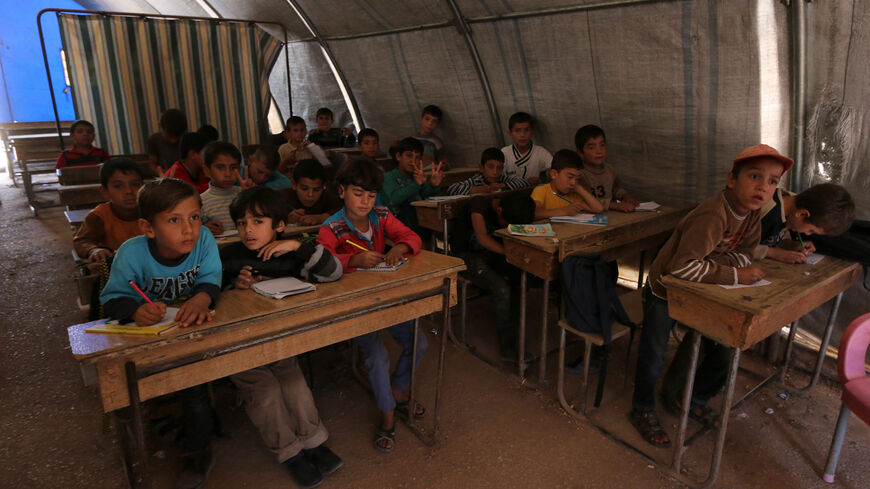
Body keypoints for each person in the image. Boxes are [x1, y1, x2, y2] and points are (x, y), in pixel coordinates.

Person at [629, 144, 791, 448]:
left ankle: (691, 398)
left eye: (772, 181)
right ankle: (642, 408)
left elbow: (746, 254)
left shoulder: (752, 214)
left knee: (724, 347)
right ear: (732, 179)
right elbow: (681, 270)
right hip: (666, 291)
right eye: (755, 176)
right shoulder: (713, 215)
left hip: (706, 291)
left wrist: (722, 264)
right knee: (653, 354)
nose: (763, 187)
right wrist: (734, 274)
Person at [99, 178, 221, 489]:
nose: (189, 229)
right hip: (143, 339)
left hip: (184, 334)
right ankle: (137, 443)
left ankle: (197, 451)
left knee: (193, 383)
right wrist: (133, 309)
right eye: (174, 220)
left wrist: (201, 297)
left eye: (195, 217)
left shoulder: (204, 240)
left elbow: (211, 278)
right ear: (148, 227)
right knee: (129, 394)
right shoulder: (131, 253)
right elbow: (111, 299)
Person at [220, 187, 344, 489]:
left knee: (294, 384)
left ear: (278, 226)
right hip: (240, 347)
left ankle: (313, 442)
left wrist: (297, 247)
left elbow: (334, 273)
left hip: (280, 344)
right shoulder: (229, 256)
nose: (248, 230)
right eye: (241, 223)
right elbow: (210, 294)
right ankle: (290, 453)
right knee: (266, 393)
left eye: (258, 221)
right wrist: (235, 287)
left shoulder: (292, 254)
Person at [316, 158, 426, 453]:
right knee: (377, 358)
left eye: (371, 194)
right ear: (341, 191)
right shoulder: (331, 228)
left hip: (383, 298)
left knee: (419, 341)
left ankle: (399, 390)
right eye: (357, 193)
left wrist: (398, 248)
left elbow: (411, 236)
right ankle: (388, 414)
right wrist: (352, 260)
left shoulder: (380, 215)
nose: (365, 201)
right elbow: (320, 265)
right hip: (355, 306)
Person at [452, 192, 536, 361]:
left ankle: (516, 340)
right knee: (501, 288)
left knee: (520, 280)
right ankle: (507, 347)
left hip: (491, 254)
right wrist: (509, 253)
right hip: (464, 256)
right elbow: (482, 238)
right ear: (499, 210)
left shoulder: (514, 205)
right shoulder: (479, 205)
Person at [753, 183, 855, 263]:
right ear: (802, 214)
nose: (807, 234)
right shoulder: (762, 208)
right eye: (811, 230)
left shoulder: (793, 208)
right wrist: (773, 253)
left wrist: (790, 245)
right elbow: (738, 246)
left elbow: (768, 237)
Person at [73, 157, 144, 262]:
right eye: (118, 186)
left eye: (135, 185)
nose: (128, 191)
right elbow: (82, 241)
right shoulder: (99, 216)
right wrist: (93, 250)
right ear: (105, 191)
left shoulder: (153, 211)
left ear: (143, 186)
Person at [381, 137, 444, 235]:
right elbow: (394, 199)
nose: (413, 161)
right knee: (413, 201)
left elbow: (425, 193)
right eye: (409, 156)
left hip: (415, 223)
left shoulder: (416, 176)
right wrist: (416, 185)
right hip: (393, 222)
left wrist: (433, 185)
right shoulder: (389, 177)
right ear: (398, 156)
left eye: (418, 157)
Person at [574, 124, 639, 212]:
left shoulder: (609, 169)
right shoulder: (580, 175)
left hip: (612, 215)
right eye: (591, 147)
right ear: (580, 153)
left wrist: (625, 196)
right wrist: (616, 206)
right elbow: (585, 201)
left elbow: (615, 189)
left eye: (602, 145)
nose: (599, 151)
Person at [530, 149, 604, 219]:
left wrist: (579, 188)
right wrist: (564, 211)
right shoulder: (541, 191)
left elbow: (598, 209)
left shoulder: (573, 194)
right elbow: (534, 212)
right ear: (554, 174)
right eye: (570, 177)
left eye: (577, 179)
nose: (573, 183)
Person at [446, 147, 530, 195]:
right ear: (481, 168)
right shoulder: (476, 181)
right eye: (490, 167)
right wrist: (476, 190)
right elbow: (451, 189)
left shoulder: (502, 180)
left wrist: (502, 185)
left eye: (499, 168)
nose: (495, 172)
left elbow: (524, 182)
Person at [201, 141, 242, 236]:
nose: (228, 174)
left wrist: (250, 195)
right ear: (207, 170)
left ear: (239, 169)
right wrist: (204, 229)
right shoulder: (201, 202)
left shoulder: (244, 193)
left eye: (233, 167)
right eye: (220, 167)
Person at [283, 159, 342, 226]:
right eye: (304, 189)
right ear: (294, 184)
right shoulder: (283, 197)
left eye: (316, 190)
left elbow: (346, 212)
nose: (310, 195)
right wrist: (286, 219)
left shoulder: (329, 196)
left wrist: (321, 217)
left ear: (324, 186)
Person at [501, 112, 552, 185]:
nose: (522, 135)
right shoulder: (504, 153)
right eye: (517, 131)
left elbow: (553, 170)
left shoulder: (541, 152)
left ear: (532, 131)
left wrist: (545, 176)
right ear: (510, 133)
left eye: (526, 130)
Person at [147, 108, 188, 174]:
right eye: (170, 136)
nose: (173, 141)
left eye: (177, 137)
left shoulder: (187, 140)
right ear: (160, 126)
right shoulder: (154, 140)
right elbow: (152, 165)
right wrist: (160, 172)